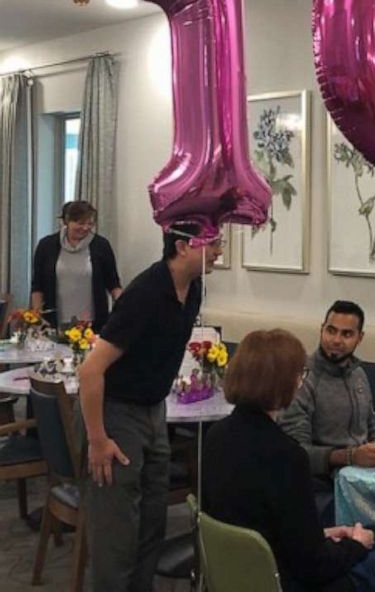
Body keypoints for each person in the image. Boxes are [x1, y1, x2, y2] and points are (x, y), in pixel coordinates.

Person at [78, 221, 221, 592]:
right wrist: (97, 439)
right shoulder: (145, 293)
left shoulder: (193, 290)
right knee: (117, 536)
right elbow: (91, 370)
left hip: (155, 411)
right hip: (117, 413)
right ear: (182, 247)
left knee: (151, 526)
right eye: (214, 243)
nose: (220, 251)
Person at [203, 329, 375, 592]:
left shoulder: (215, 435)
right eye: (299, 374)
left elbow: (251, 523)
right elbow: (312, 566)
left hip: (231, 571)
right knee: (370, 570)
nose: (301, 382)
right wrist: (357, 544)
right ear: (285, 383)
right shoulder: (287, 456)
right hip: (275, 578)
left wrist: (323, 535)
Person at [281, 301, 375, 520]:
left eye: (347, 334)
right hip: (322, 480)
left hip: (363, 474)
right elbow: (297, 453)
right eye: (331, 331)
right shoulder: (302, 380)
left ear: (360, 338)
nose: (336, 340)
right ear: (321, 329)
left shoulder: (359, 375)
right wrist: (350, 457)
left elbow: (370, 427)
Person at [31, 200, 122, 332]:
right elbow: (37, 286)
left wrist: (123, 308)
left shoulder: (101, 246)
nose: (85, 228)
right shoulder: (46, 246)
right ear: (67, 221)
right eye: (80, 223)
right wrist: (36, 317)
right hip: (54, 323)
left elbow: (113, 284)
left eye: (90, 224)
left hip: (92, 324)